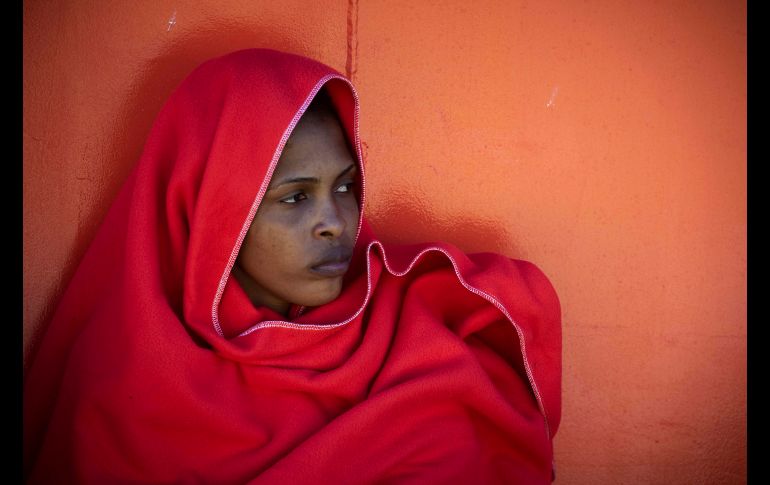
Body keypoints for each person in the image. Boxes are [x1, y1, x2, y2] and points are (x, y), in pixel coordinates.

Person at [23, 48, 562, 484]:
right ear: (214, 212)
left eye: (346, 187)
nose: (335, 223)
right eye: (294, 198)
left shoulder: (415, 337)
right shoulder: (122, 391)